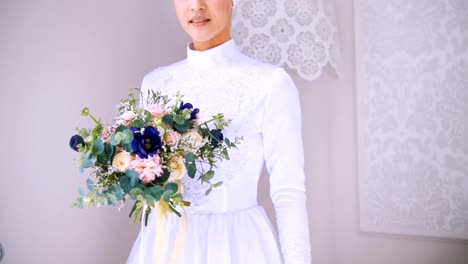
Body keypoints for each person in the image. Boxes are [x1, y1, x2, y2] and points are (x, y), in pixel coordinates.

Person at [126, 0, 311, 263]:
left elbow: (288, 190)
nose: (196, 6)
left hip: (237, 245)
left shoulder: (270, 83)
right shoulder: (155, 82)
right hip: (166, 245)